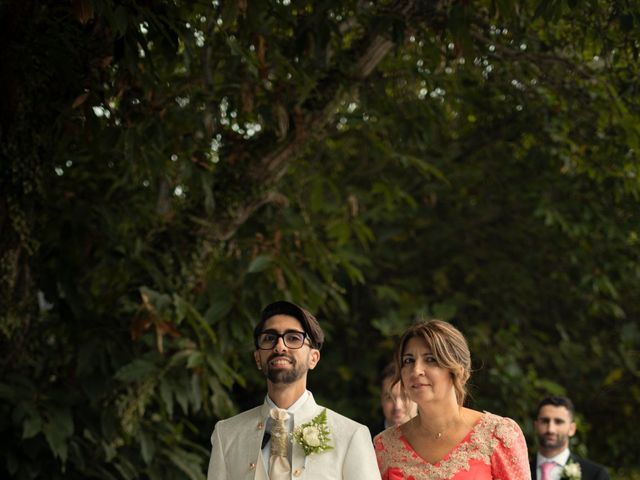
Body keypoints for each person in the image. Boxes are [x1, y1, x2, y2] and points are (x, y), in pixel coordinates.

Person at [207, 300, 381, 480]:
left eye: (293, 338)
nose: (280, 346)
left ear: (313, 358)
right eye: (269, 338)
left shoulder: (350, 435)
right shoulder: (227, 434)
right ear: (258, 358)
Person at [374, 319, 530, 480]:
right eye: (408, 361)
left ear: (457, 370)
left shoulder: (497, 435)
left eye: (430, 359)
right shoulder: (385, 446)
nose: (416, 370)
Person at [530, 395, 609, 480]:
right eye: (545, 421)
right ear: (536, 426)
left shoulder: (595, 474)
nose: (550, 429)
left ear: (572, 429)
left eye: (558, 422)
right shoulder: (518, 470)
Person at [376, 363, 417, 434]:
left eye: (405, 396)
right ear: (381, 399)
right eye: (389, 397)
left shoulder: (436, 436)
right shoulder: (366, 439)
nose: (398, 406)